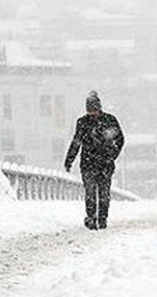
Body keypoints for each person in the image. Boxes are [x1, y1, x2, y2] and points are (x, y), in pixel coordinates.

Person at [64, 90, 124, 230]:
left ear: (99, 108)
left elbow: (120, 139)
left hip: (104, 163)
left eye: (94, 110)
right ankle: (91, 217)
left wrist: (111, 156)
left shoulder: (110, 120)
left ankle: (102, 218)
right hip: (88, 163)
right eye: (90, 111)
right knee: (90, 192)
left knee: (104, 192)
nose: (92, 114)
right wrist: (69, 160)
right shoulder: (82, 122)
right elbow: (76, 142)